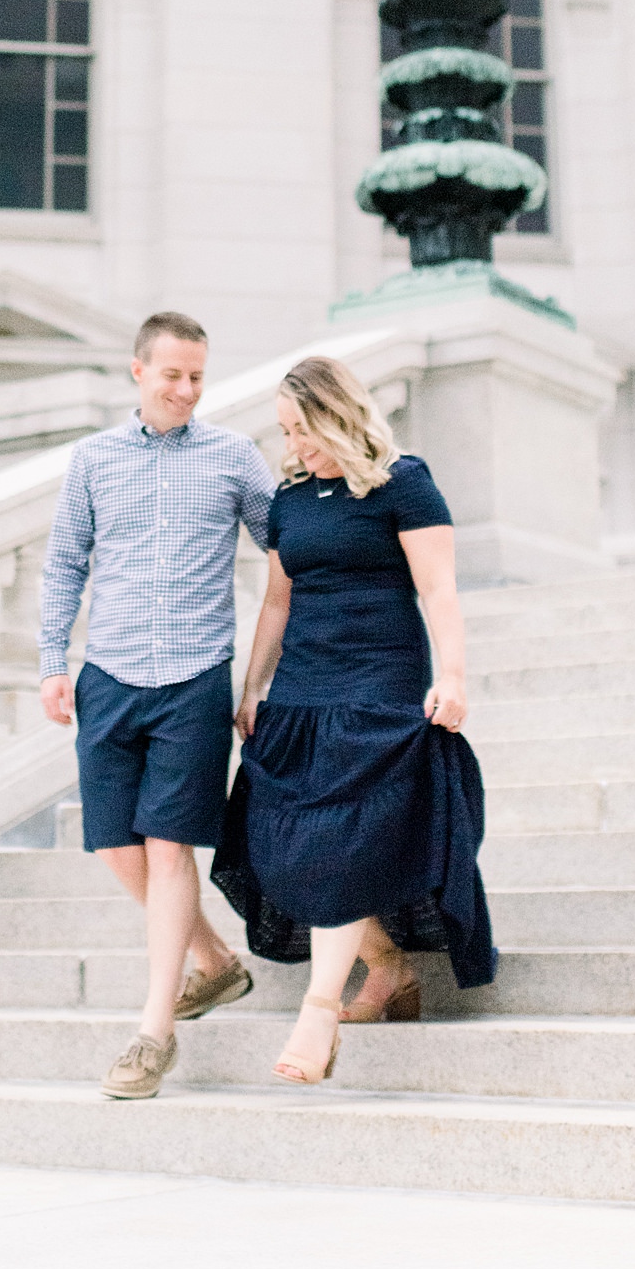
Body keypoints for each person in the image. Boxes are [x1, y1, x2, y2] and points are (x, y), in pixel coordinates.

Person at [211, 354, 496, 1084]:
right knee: (280, 847)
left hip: (378, 683)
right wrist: (253, 688)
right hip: (303, 686)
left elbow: (438, 590)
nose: (295, 447)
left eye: (304, 430)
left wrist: (453, 677)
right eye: (285, 432)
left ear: (340, 414)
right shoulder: (292, 497)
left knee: (338, 845)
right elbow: (277, 601)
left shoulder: (406, 483)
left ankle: (316, 1013)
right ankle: (390, 969)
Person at [38, 309, 276, 1100]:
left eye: (197, 376)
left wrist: (267, 673)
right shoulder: (94, 459)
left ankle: (152, 1034)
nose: (185, 389)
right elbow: (65, 561)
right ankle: (214, 961)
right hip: (108, 673)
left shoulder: (235, 458)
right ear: (138, 371)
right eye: (171, 374)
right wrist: (51, 663)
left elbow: (292, 549)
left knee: (171, 849)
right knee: (116, 846)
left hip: (194, 677)